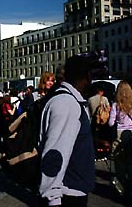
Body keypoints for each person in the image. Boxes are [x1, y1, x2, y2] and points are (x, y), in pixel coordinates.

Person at [39, 55, 95, 207]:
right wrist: (53, 199)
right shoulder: (66, 103)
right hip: (67, 194)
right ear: (88, 76)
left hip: (73, 189)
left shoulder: (71, 100)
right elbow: (54, 154)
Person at [108, 81, 132, 197]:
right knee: (130, 160)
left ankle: (122, 186)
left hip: (120, 134)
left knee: (119, 162)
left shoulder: (116, 105)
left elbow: (111, 123)